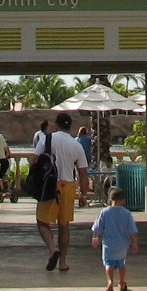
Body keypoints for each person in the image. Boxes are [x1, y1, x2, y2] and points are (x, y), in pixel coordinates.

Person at [35, 113, 89, 272]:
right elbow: (83, 172)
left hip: (51, 186)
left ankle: (53, 249)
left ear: (56, 124)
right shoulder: (76, 144)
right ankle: (63, 263)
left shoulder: (47, 139)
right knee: (64, 225)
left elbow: (35, 159)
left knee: (42, 222)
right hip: (69, 186)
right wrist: (84, 194)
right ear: (70, 126)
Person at [91, 187, 139, 291]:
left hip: (108, 243)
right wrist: (135, 243)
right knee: (121, 263)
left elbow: (97, 227)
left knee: (109, 263)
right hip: (122, 244)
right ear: (122, 200)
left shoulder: (104, 212)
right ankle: (122, 282)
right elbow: (132, 230)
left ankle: (110, 282)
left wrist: (95, 238)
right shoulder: (126, 213)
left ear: (110, 199)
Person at [74, 125, 94, 203]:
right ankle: (85, 190)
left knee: (79, 175)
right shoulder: (89, 139)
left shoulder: (76, 139)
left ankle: (80, 189)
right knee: (86, 175)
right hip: (87, 159)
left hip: (77, 159)